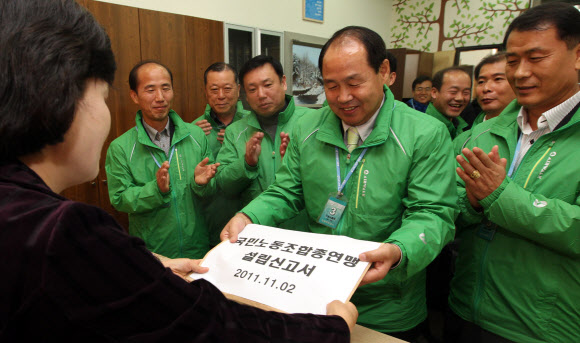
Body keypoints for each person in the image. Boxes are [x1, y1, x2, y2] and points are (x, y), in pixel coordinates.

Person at [0, 0, 358, 341]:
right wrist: (332, 328)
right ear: (59, 100)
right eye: (101, 96)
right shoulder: (66, 231)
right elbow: (213, 327)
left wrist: (149, 266)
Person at [221, 26, 458, 342]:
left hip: (388, 305)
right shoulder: (308, 125)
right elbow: (286, 190)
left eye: (354, 82)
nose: (343, 97)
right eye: (331, 86)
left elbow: (433, 214)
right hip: (318, 295)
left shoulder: (424, 134)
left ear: (384, 71)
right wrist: (247, 217)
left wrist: (399, 250)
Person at [448, 3, 580, 342]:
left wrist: (499, 196)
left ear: (577, 55)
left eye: (536, 59)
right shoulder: (482, 133)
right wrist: (474, 205)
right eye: (511, 60)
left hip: (541, 327)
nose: (520, 73)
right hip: (465, 309)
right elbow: (451, 209)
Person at [105, 60, 218, 259]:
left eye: (166, 88)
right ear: (134, 96)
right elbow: (119, 199)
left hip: (197, 248)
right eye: (150, 90)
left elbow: (211, 191)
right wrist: (155, 190)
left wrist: (201, 184)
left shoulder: (196, 136)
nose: (160, 97)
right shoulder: (121, 147)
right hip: (154, 254)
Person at [214, 55, 310, 231]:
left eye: (268, 85)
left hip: (304, 233)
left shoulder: (311, 123)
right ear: (245, 94)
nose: (261, 95)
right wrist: (247, 164)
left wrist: (299, 162)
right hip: (257, 233)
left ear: (283, 82)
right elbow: (224, 186)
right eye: (252, 89)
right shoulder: (235, 132)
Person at [193, 62, 249, 246]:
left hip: (250, 219)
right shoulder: (194, 129)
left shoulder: (254, 122)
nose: (221, 96)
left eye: (227, 88)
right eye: (214, 89)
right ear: (205, 91)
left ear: (238, 89)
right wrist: (189, 138)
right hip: (209, 223)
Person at [454, 53, 516, 153]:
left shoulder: (527, 133)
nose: (486, 88)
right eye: (481, 81)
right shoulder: (463, 140)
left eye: (498, 79)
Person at [426, 67, 472, 138]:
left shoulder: (460, 124)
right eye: (453, 92)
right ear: (434, 92)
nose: (460, 98)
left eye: (466, 93)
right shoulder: (424, 127)